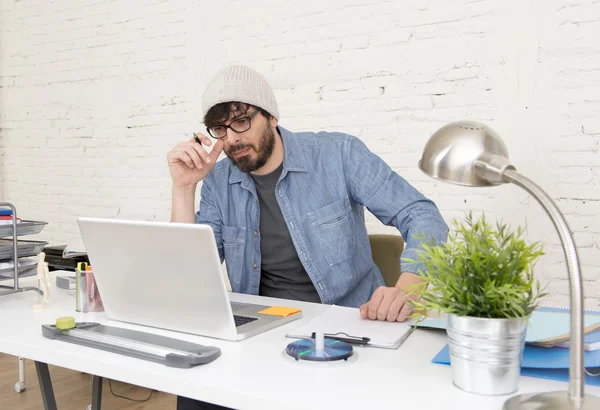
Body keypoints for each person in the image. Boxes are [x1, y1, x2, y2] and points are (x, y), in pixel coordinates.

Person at [168, 64, 448, 410]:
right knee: (196, 389)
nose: (232, 139)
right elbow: (190, 276)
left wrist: (408, 287)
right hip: (259, 333)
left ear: (271, 116)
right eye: (220, 129)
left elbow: (422, 215)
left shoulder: (338, 155)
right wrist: (184, 189)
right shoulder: (218, 180)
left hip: (345, 331)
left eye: (242, 121)